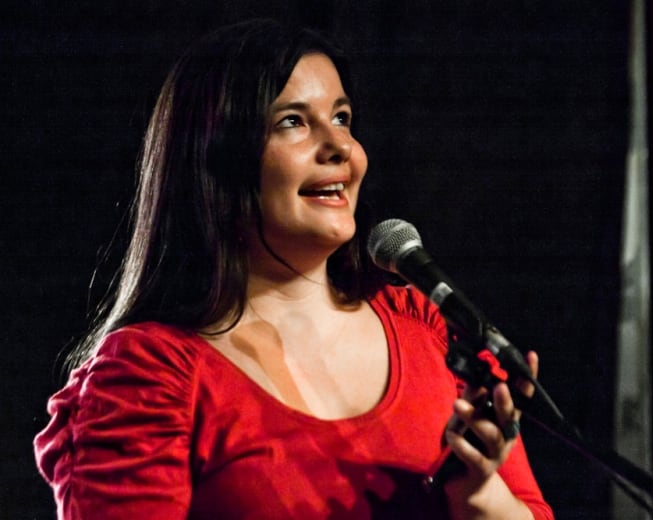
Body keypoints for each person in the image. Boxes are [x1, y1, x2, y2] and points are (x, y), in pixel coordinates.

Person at [34, 18, 553, 519]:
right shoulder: (149, 375)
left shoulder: (426, 325)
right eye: (293, 122)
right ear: (215, 158)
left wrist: (478, 494)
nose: (339, 148)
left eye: (343, 118)